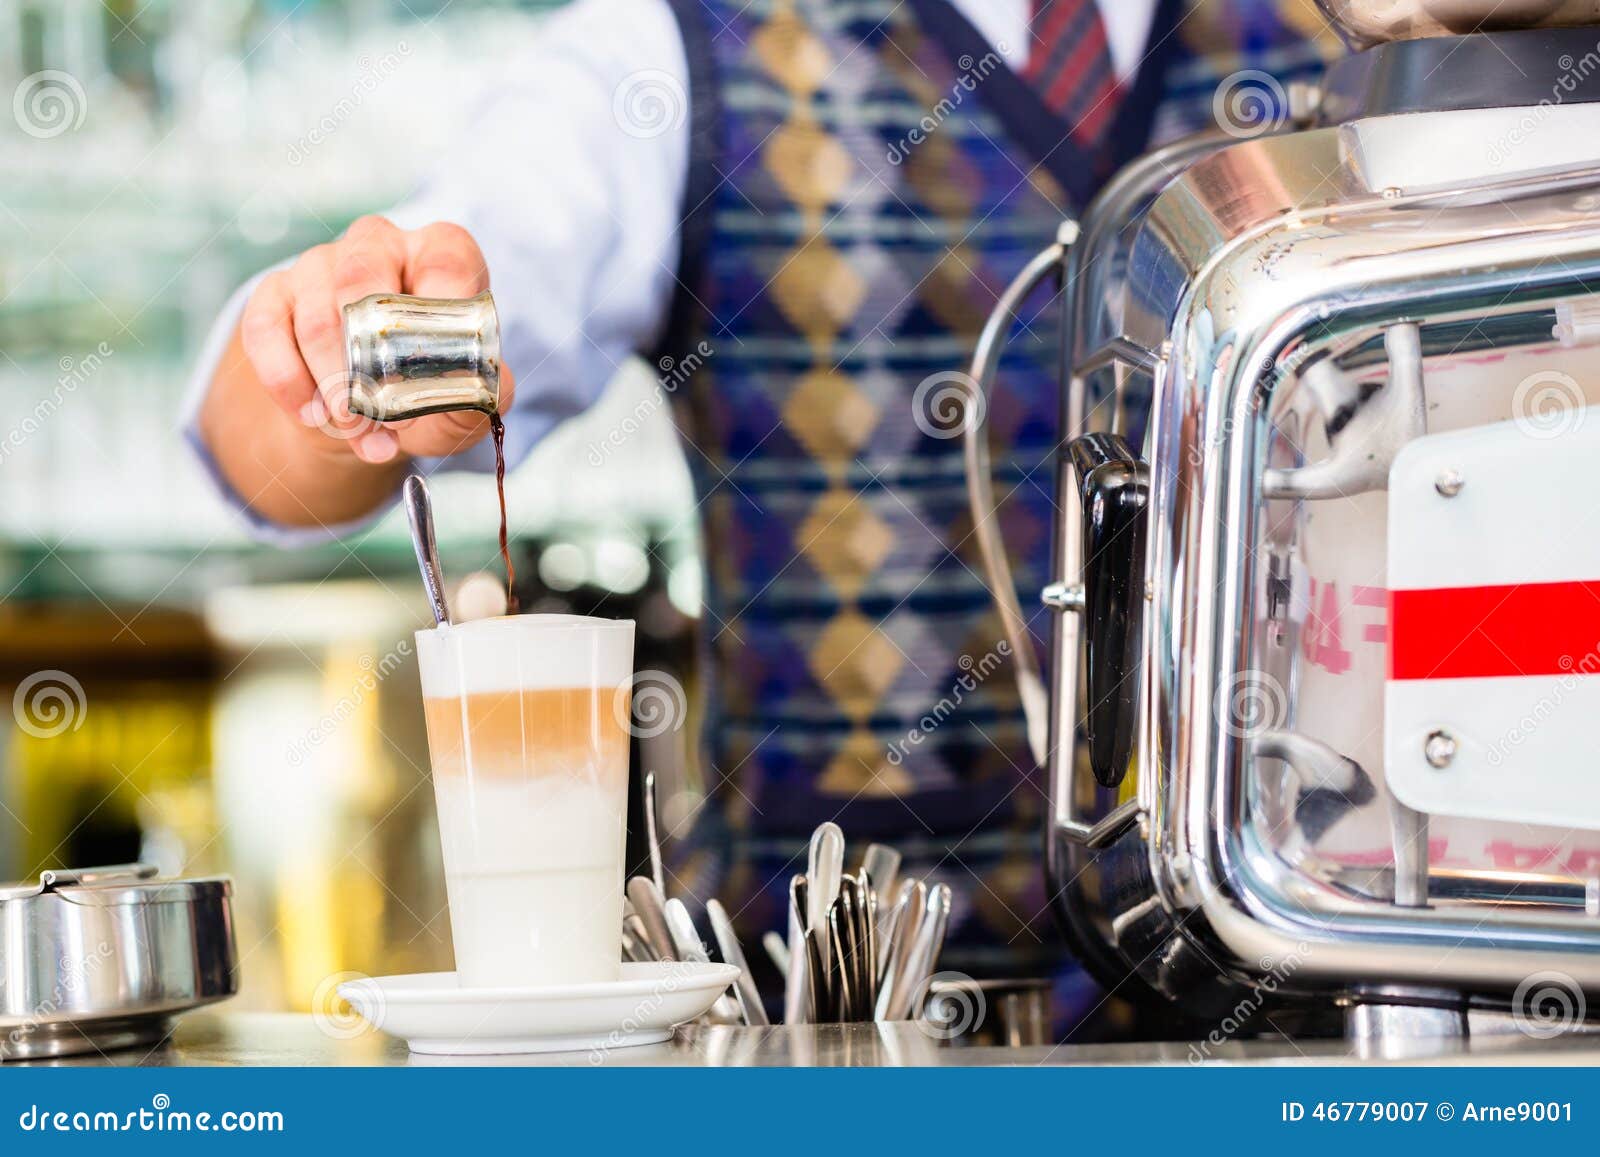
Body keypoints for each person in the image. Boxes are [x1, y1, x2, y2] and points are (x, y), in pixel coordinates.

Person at [186, 0, 1336, 1018]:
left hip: (1335, 1021)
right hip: (824, 1041)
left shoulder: (1370, 30)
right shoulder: (675, 53)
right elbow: (267, 465)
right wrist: (326, 365)